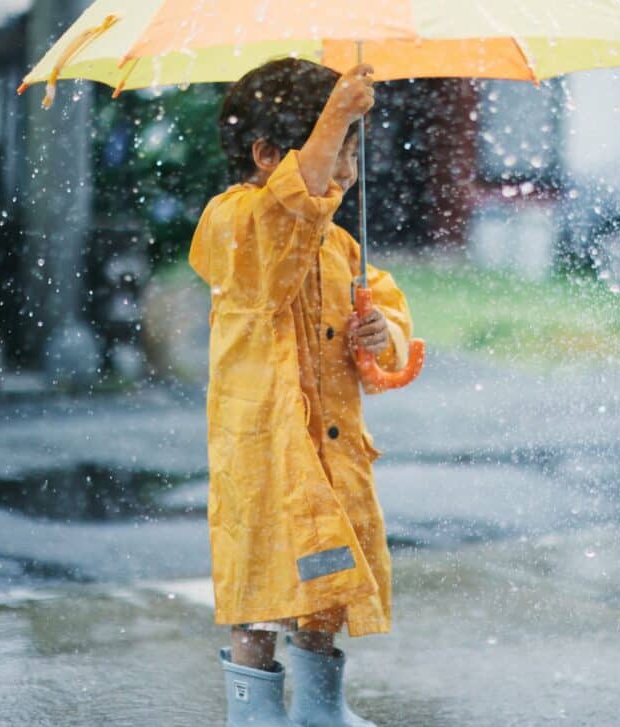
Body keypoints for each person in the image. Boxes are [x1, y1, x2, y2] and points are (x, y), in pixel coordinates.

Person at [188, 58, 413, 727]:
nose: (345, 171)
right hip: (262, 453)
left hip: (326, 455)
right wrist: (338, 111)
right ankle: (254, 713)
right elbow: (291, 207)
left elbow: (388, 321)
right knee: (257, 588)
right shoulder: (233, 222)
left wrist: (383, 333)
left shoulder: (340, 245)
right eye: (337, 151)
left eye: (351, 153)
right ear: (264, 153)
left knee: (324, 587)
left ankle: (320, 706)